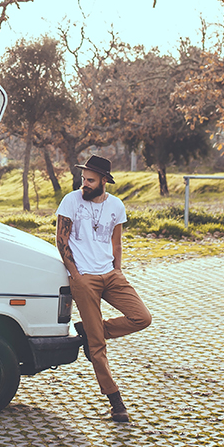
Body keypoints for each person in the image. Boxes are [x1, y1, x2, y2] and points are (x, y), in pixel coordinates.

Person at [56, 155, 151, 422]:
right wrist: (76, 275)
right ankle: (116, 403)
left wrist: (117, 270)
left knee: (142, 317)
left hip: (110, 274)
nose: (84, 184)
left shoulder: (116, 206)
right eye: (83, 179)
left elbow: (117, 242)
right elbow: (61, 240)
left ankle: (91, 330)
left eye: (90, 181)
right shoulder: (70, 201)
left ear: (104, 182)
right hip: (84, 278)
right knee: (97, 347)